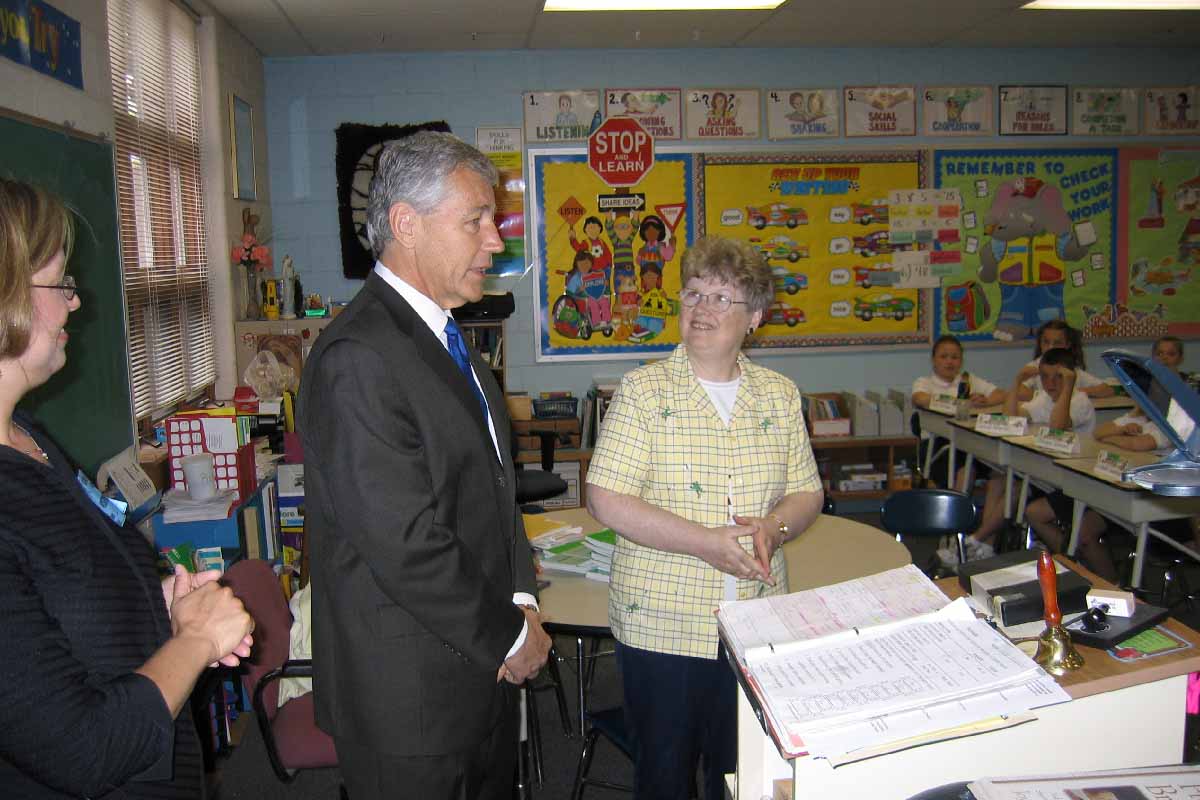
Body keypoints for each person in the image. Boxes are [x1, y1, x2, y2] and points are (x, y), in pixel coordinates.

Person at [298, 132, 551, 800]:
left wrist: (521, 596)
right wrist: (507, 635)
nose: (495, 241)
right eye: (476, 221)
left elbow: (496, 489)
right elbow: (405, 542)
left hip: (477, 674)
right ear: (406, 224)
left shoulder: (443, 334)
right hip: (407, 701)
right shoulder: (358, 356)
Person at [0, 178, 254, 797]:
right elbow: (81, 749)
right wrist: (194, 643)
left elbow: (66, 596)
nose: (74, 304)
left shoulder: (28, 440)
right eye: (58, 283)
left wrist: (161, 608)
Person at [586, 235, 824, 800]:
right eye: (693, 294)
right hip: (663, 622)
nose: (702, 308)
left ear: (755, 318)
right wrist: (704, 543)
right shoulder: (644, 391)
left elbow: (807, 493)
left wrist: (774, 527)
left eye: (721, 297)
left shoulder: (778, 395)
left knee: (741, 771)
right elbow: (605, 497)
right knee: (665, 776)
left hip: (758, 620)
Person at [1006, 347, 1117, 581]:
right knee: (1033, 512)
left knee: (1080, 532)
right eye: (1044, 376)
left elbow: (1058, 426)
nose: (1050, 383)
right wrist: (1017, 382)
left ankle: (1107, 580)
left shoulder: (1079, 400)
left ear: (1070, 377)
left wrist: (1069, 386)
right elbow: (1012, 418)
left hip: (1086, 485)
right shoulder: (1044, 398)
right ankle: (1077, 564)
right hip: (1061, 480)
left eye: (1058, 377)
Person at [909, 335, 1006, 566]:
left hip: (971, 444)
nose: (949, 362)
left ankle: (983, 542)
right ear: (934, 360)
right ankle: (955, 536)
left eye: (955, 357)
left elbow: (1002, 394)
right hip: (938, 448)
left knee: (1000, 474)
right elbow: (920, 399)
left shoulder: (968, 379)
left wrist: (984, 400)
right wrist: (960, 401)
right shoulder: (925, 382)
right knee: (966, 469)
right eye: (944, 356)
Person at [1016, 319, 1113, 400]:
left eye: (1057, 343)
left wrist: (1071, 393)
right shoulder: (1033, 367)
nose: (1050, 347)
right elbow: (1019, 391)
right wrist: (1051, 396)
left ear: (1067, 345)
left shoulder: (1072, 368)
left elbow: (1107, 389)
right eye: (1046, 342)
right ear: (1040, 344)